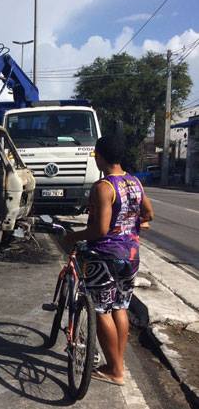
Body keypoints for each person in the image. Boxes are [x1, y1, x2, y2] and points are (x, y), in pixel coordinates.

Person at [64, 133, 154, 386]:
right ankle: (117, 364)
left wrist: (74, 236)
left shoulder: (104, 187)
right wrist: (136, 225)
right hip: (131, 256)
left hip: (104, 256)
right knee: (120, 307)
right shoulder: (134, 182)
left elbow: (100, 230)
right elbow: (149, 213)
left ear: (99, 156)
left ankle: (115, 371)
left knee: (101, 310)